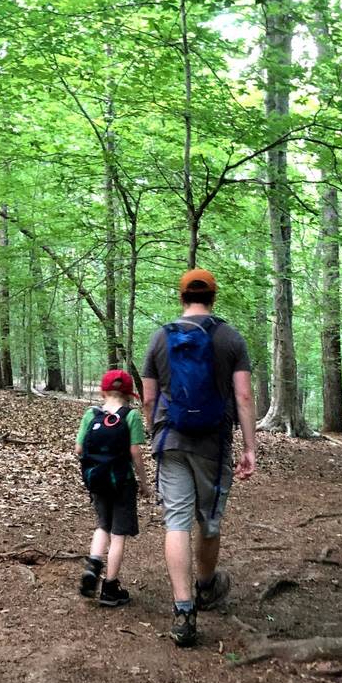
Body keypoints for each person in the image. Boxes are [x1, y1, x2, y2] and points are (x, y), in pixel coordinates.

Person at [142, 268, 257, 647]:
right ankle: (206, 586)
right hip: (214, 442)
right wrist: (250, 447)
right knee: (207, 520)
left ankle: (184, 611)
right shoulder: (230, 337)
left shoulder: (161, 337)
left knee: (176, 521)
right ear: (213, 296)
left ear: (181, 297)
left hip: (170, 440)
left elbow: (147, 397)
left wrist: (153, 427)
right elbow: (242, 396)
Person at [75, 369, 151, 607]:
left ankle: (93, 564)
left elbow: (79, 450)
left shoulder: (91, 414)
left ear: (103, 391)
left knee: (102, 526)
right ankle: (110, 588)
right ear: (129, 395)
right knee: (118, 535)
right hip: (122, 482)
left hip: (97, 480)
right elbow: (135, 452)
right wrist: (144, 482)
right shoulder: (131, 416)